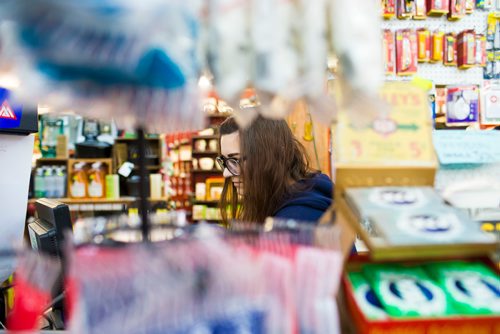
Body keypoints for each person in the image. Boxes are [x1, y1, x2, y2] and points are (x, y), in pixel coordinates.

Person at [217, 115, 334, 225]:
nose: (226, 173)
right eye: (225, 161)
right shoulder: (283, 205)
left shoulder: (295, 222)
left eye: (236, 159)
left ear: (276, 154)